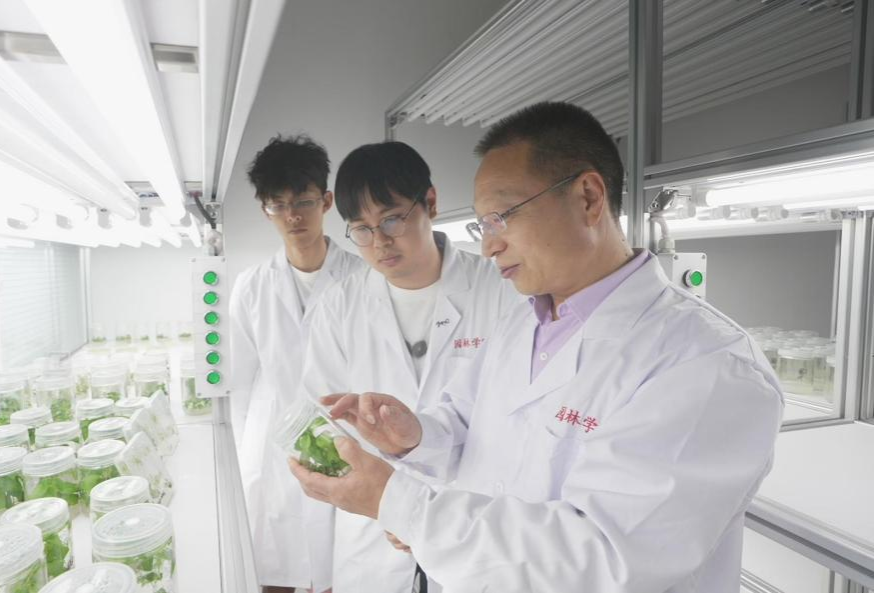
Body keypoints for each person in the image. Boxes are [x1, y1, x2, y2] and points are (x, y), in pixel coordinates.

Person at [289, 102, 784, 593]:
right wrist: (414, 435)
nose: (489, 246)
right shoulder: (521, 322)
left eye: (502, 217)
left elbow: (603, 559)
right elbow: (467, 424)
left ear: (588, 198)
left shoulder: (708, 365)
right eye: (482, 225)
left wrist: (401, 504)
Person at [296, 140, 520, 593]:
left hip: (472, 518)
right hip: (373, 530)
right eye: (361, 230)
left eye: (392, 220)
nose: (379, 242)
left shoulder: (501, 289)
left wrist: (424, 513)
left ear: (430, 203)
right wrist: (387, 503)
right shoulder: (339, 307)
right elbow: (322, 419)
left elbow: (515, 419)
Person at [229, 134, 366, 593]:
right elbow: (240, 383)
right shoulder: (251, 287)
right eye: (278, 204)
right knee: (274, 569)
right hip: (271, 448)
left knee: (338, 571)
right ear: (264, 209)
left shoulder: (363, 277)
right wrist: (245, 455)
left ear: (326, 201)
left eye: (304, 201)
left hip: (343, 438)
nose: (292, 216)